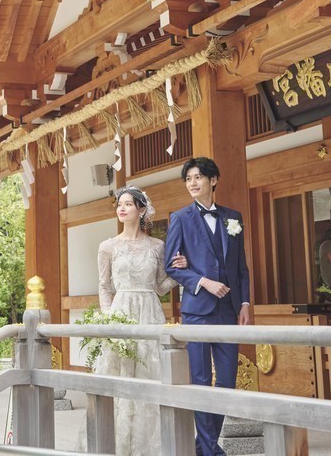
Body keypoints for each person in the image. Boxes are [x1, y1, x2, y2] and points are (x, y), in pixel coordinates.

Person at [164, 157, 252, 456]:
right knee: (200, 381)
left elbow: (241, 267)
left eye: (199, 177)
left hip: (229, 311)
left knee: (226, 381)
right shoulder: (180, 218)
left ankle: (204, 446)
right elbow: (172, 267)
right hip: (197, 312)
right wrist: (203, 281)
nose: (193, 182)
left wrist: (244, 302)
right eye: (188, 178)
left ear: (213, 180)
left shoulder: (233, 218)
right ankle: (210, 450)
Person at [93, 185, 186, 455]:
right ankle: (115, 445)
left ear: (141, 209)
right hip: (120, 313)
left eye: (128, 204)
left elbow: (160, 287)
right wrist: (108, 320)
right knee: (119, 374)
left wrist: (180, 272)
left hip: (150, 312)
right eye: (119, 204)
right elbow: (103, 286)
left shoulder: (157, 246)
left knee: (150, 373)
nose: (121, 208)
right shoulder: (108, 247)